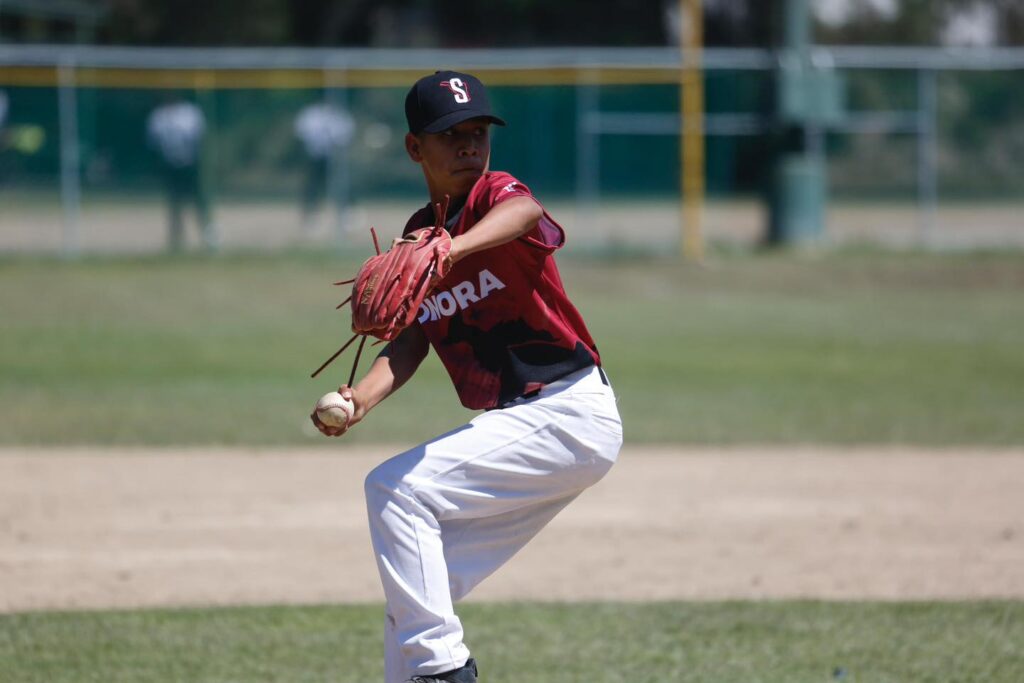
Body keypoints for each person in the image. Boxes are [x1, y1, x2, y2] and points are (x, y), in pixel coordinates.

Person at [311, 71, 623, 683]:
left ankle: (446, 673)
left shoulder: (491, 200)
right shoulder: (419, 232)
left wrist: (452, 251)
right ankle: (429, 666)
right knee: (414, 595)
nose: (467, 147)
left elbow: (526, 209)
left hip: (567, 411)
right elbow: (415, 335)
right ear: (414, 148)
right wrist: (363, 399)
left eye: (477, 133)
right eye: (450, 135)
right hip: (529, 425)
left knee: (395, 491)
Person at [146, 96, 215, 251]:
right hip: (170, 166)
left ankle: (208, 236)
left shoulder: (190, 113)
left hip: (190, 165)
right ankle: (176, 240)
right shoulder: (159, 116)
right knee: (175, 205)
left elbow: (200, 139)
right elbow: (154, 144)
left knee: (199, 202)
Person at [294, 100, 355, 237]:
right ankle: (310, 216)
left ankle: (346, 215)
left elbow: (345, 136)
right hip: (315, 157)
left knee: (341, 186)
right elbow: (302, 133)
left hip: (334, 158)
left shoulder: (338, 115)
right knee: (312, 187)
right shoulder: (311, 114)